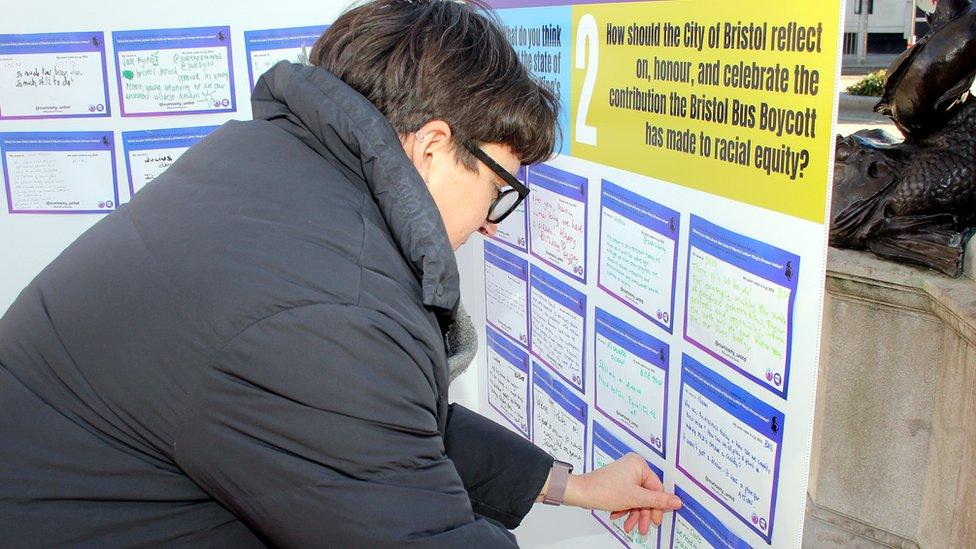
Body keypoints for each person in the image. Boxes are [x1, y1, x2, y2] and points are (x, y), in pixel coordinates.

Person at [0, 1, 680, 546]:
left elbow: (381, 431)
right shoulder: (337, 301)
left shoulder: (274, 164)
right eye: (500, 187)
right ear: (435, 145)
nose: (493, 223)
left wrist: (573, 485)